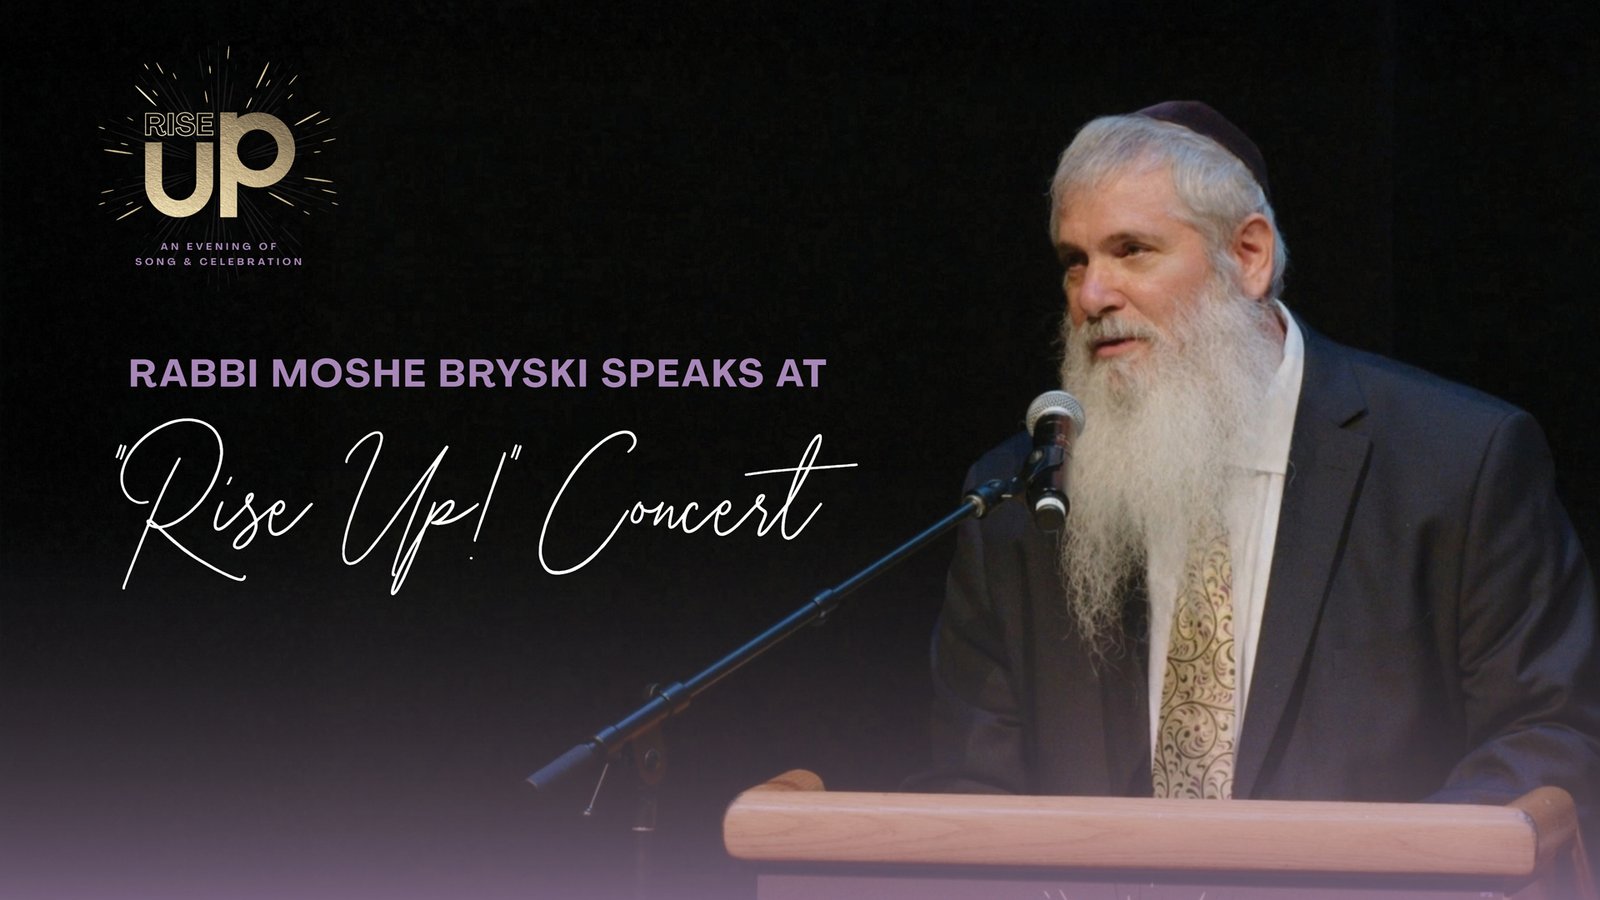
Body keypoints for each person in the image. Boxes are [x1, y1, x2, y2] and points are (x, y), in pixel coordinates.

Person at [910, 102, 1600, 837]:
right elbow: (971, 784)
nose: (1091, 295)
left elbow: (1549, 738)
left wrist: (1388, 871)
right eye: (1074, 261)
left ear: (1248, 256)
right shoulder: (1020, 499)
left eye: (1132, 250)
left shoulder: (1457, 461)